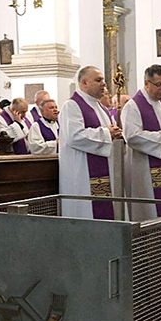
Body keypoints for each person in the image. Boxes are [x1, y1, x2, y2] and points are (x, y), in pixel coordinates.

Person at [58, 65, 124, 219]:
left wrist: (116, 135)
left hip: (105, 171)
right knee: (87, 214)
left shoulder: (101, 107)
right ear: (84, 83)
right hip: (82, 175)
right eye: (98, 80)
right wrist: (107, 133)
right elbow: (74, 136)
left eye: (104, 81)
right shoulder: (72, 106)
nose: (104, 84)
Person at [121, 64, 161, 221]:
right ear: (147, 83)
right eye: (158, 84)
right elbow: (132, 136)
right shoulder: (133, 106)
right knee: (150, 213)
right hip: (144, 169)